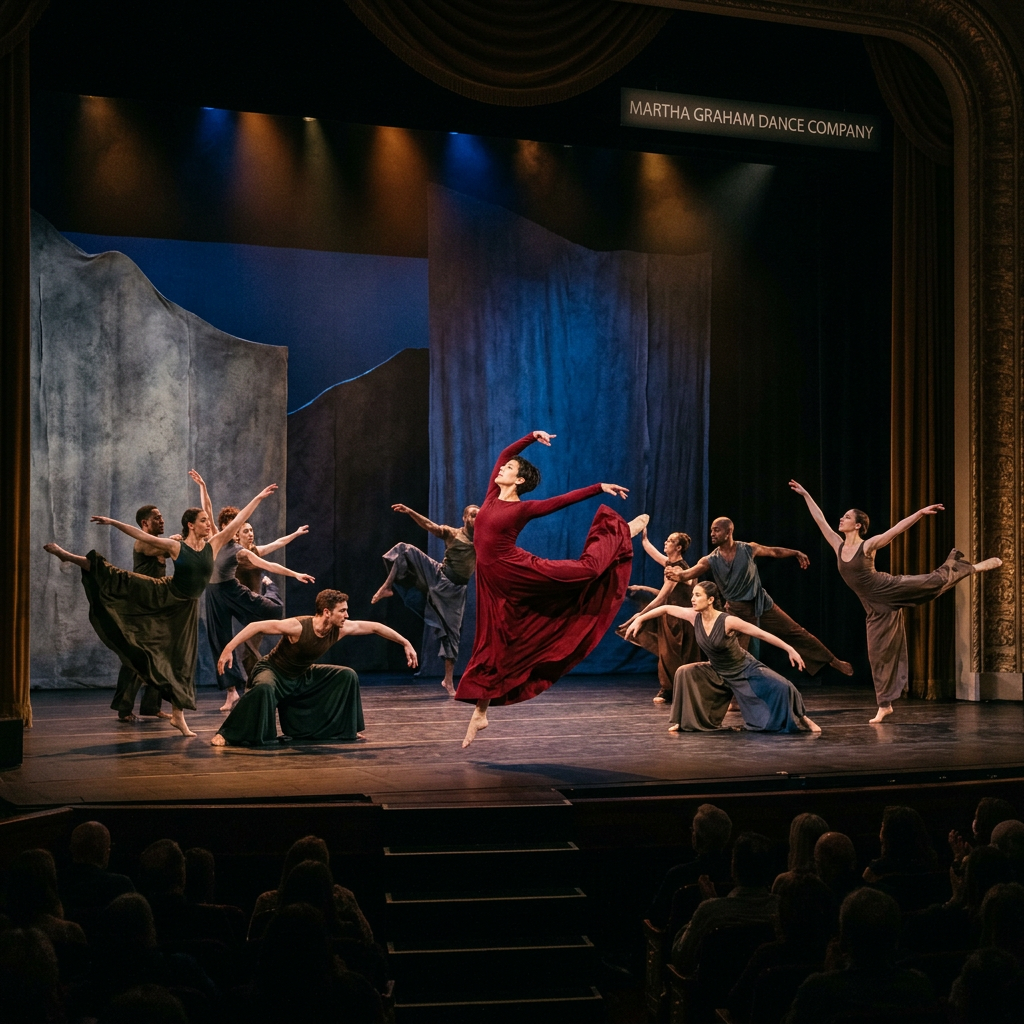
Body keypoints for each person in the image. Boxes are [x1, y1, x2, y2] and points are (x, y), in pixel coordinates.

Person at [43, 473, 278, 737]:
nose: (208, 524)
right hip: (163, 592)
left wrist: (257, 497)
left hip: (185, 608)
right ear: (191, 525)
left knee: (183, 662)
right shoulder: (175, 546)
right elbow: (139, 534)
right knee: (119, 578)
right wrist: (112, 522)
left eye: (207, 521)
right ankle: (70, 557)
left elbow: (234, 522)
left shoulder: (213, 544)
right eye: (203, 521)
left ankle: (178, 715)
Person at [455, 431, 643, 748]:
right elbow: (503, 453)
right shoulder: (490, 497)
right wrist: (530, 437)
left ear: (518, 481)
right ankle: (480, 713)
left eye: (509, 469)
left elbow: (561, 501)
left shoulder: (521, 509)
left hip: (517, 569)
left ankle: (622, 532)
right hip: (491, 581)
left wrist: (598, 487)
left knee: (587, 570)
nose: (501, 469)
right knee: (493, 642)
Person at [788, 480, 1002, 722]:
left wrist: (919, 513)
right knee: (877, 653)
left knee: (930, 583)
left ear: (857, 525)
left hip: (888, 588)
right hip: (873, 607)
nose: (841, 519)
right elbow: (820, 520)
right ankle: (884, 704)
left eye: (847, 517)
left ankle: (969, 567)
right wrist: (806, 493)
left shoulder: (867, 546)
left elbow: (895, 531)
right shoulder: (838, 545)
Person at [211, 588, 417, 747]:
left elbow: (375, 627)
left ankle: (344, 730)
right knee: (264, 688)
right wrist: (229, 649)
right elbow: (255, 626)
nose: (347, 615)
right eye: (342, 611)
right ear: (327, 612)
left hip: (300, 675)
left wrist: (405, 642)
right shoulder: (298, 626)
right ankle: (226, 733)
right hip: (272, 671)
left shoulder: (340, 629)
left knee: (347, 675)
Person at [665, 516, 852, 679]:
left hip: (762, 604)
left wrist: (795, 553)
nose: (712, 533)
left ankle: (832, 660)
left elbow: (774, 552)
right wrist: (677, 575)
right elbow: (689, 573)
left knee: (796, 632)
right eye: (711, 530)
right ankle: (734, 700)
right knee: (737, 656)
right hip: (737, 612)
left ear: (729, 531)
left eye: (716, 530)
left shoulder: (748, 549)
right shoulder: (710, 560)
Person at [625, 581, 821, 734]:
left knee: (784, 686)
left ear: (710, 599)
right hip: (716, 670)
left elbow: (762, 634)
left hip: (743, 669)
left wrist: (790, 649)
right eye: (693, 595)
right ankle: (683, 723)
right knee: (684, 672)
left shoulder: (728, 621)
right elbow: (665, 609)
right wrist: (640, 618)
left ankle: (802, 717)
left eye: (697, 595)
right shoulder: (694, 616)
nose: (693, 599)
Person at [205, 505, 315, 713]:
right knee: (230, 645)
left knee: (249, 651)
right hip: (232, 601)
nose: (249, 533)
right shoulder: (223, 546)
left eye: (250, 530)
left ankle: (260, 686)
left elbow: (277, 546)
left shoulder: (252, 552)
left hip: (252, 606)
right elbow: (209, 516)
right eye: (245, 530)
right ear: (234, 532)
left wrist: (296, 534)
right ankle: (239, 691)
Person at [371, 501, 479, 697]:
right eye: (472, 515)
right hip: (439, 575)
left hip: (456, 593)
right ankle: (387, 587)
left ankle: (448, 680)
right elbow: (431, 526)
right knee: (405, 549)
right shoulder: (453, 534)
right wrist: (410, 510)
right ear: (464, 518)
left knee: (452, 636)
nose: (475, 518)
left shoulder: (482, 541)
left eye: (478, 516)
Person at [617, 526, 702, 703]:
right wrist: (644, 532)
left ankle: (681, 689)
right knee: (666, 654)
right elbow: (650, 549)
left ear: (678, 548)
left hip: (681, 618)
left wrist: (639, 616)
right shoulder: (669, 564)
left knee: (680, 654)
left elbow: (662, 597)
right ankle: (668, 689)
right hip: (669, 616)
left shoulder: (678, 569)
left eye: (670, 540)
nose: (665, 542)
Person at [111, 504, 171, 722]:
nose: (162, 520)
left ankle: (151, 706)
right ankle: (124, 708)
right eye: (157, 518)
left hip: (156, 607)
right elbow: (170, 549)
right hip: (141, 610)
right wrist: (187, 536)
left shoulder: (157, 542)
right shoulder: (143, 542)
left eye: (162, 517)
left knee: (160, 657)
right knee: (136, 659)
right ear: (145, 523)